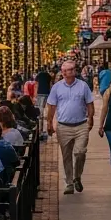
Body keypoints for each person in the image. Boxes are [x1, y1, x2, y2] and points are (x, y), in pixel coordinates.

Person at [44, 59, 95, 195]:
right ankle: (69, 183)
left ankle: (77, 176)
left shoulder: (83, 86)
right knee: (66, 156)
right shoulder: (57, 87)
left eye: (72, 69)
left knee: (80, 152)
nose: (70, 72)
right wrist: (49, 123)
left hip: (81, 125)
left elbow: (89, 104)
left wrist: (90, 118)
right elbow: (51, 106)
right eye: (67, 70)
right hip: (63, 126)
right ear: (63, 72)